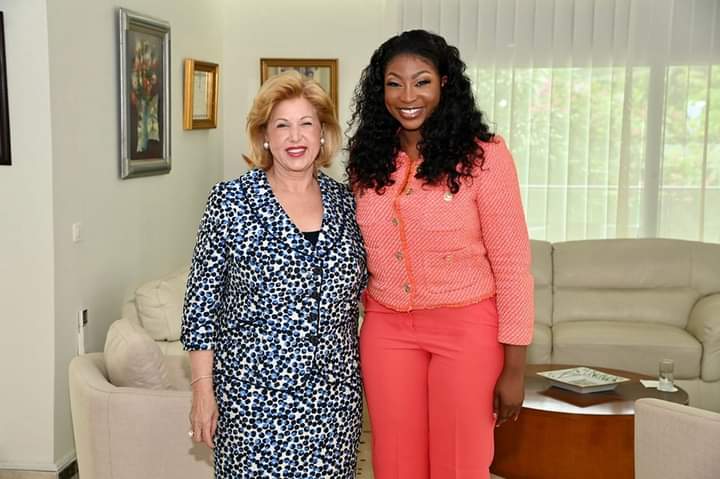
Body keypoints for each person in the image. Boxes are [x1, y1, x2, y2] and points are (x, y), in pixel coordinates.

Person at [346, 30, 534, 479]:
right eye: (394, 83)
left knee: (459, 464)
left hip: (467, 330)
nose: (407, 96)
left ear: (445, 84)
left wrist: (514, 368)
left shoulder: (484, 157)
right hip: (386, 329)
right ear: (381, 90)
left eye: (422, 81)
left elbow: (512, 267)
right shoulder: (367, 159)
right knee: (394, 463)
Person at [182, 70, 367, 478]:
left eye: (306, 124)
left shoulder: (348, 204)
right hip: (253, 401)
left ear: (323, 134)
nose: (295, 137)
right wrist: (202, 390)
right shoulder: (230, 201)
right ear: (265, 135)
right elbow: (201, 307)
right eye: (282, 125)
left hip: (333, 404)